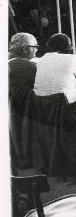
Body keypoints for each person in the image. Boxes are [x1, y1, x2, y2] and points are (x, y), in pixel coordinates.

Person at [33, 33, 76, 104]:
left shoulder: (41, 60)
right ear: (67, 47)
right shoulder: (72, 58)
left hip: (40, 106)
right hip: (64, 106)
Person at [8, 32, 39, 167]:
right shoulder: (30, 67)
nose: (37, 50)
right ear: (25, 49)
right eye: (35, 47)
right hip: (22, 114)